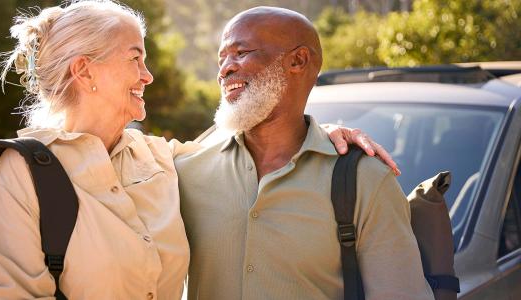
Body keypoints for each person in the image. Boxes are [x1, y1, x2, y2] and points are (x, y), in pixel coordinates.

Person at [0, 1, 397, 299]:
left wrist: (321, 133)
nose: (149, 75)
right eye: (135, 58)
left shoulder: (160, 159)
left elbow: (266, 134)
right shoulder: (16, 176)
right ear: (85, 70)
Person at [175, 6, 434, 300]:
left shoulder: (367, 181)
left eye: (241, 53)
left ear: (298, 60)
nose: (224, 70)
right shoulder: (184, 171)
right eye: (222, 58)